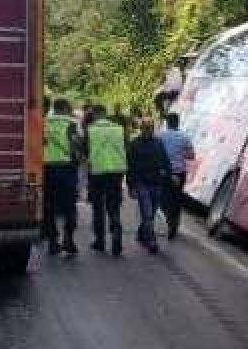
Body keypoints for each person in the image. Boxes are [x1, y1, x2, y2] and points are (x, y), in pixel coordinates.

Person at [86, 104, 128, 256]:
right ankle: (117, 239)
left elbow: (85, 151)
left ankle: (100, 241)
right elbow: (126, 148)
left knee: (98, 208)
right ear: (105, 113)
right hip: (116, 172)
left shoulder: (90, 130)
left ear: (95, 114)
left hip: (97, 173)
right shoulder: (119, 129)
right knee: (113, 207)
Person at [43, 98, 83, 256]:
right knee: (69, 207)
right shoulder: (72, 123)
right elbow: (76, 146)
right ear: (66, 108)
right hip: (67, 169)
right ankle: (68, 239)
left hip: (47, 169)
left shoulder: (44, 123)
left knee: (49, 206)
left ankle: (53, 241)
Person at [126, 118, 171, 253]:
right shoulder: (134, 144)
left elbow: (165, 160)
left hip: (156, 182)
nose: (148, 130)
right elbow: (130, 166)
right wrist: (131, 186)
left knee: (152, 213)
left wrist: (168, 173)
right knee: (147, 212)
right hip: (141, 182)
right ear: (141, 129)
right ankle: (151, 240)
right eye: (146, 128)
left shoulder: (158, 142)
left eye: (150, 128)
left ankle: (142, 232)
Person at [157, 112, 196, 240]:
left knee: (163, 198)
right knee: (176, 199)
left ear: (167, 123)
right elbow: (191, 156)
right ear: (177, 123)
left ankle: (168, 220)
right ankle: (174, 224)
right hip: (179, 173)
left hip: (163, 172)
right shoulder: (185, 137)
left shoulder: (159, 136)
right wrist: (180, 153)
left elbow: (155, 153)